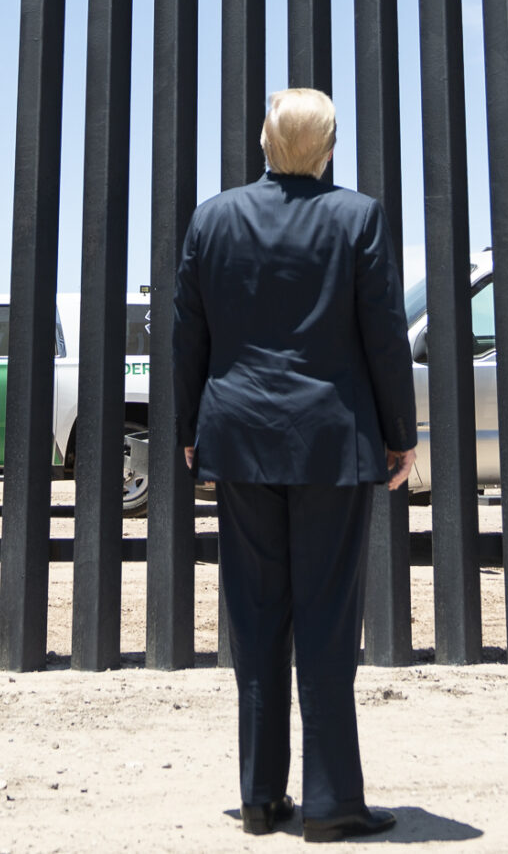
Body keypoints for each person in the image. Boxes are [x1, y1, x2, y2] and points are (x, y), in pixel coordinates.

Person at [174, 89, 418, 843]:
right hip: (331, 442)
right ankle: (332, 801)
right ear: (331, 144)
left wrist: (188, 429)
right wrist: (401, 434)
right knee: (326, 617)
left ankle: (258, 798)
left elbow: (188, 332)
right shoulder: (358, 217)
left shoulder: (214, 217)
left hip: (240, 438)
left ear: (265, 138)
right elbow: (384, 334)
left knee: (255, 617)